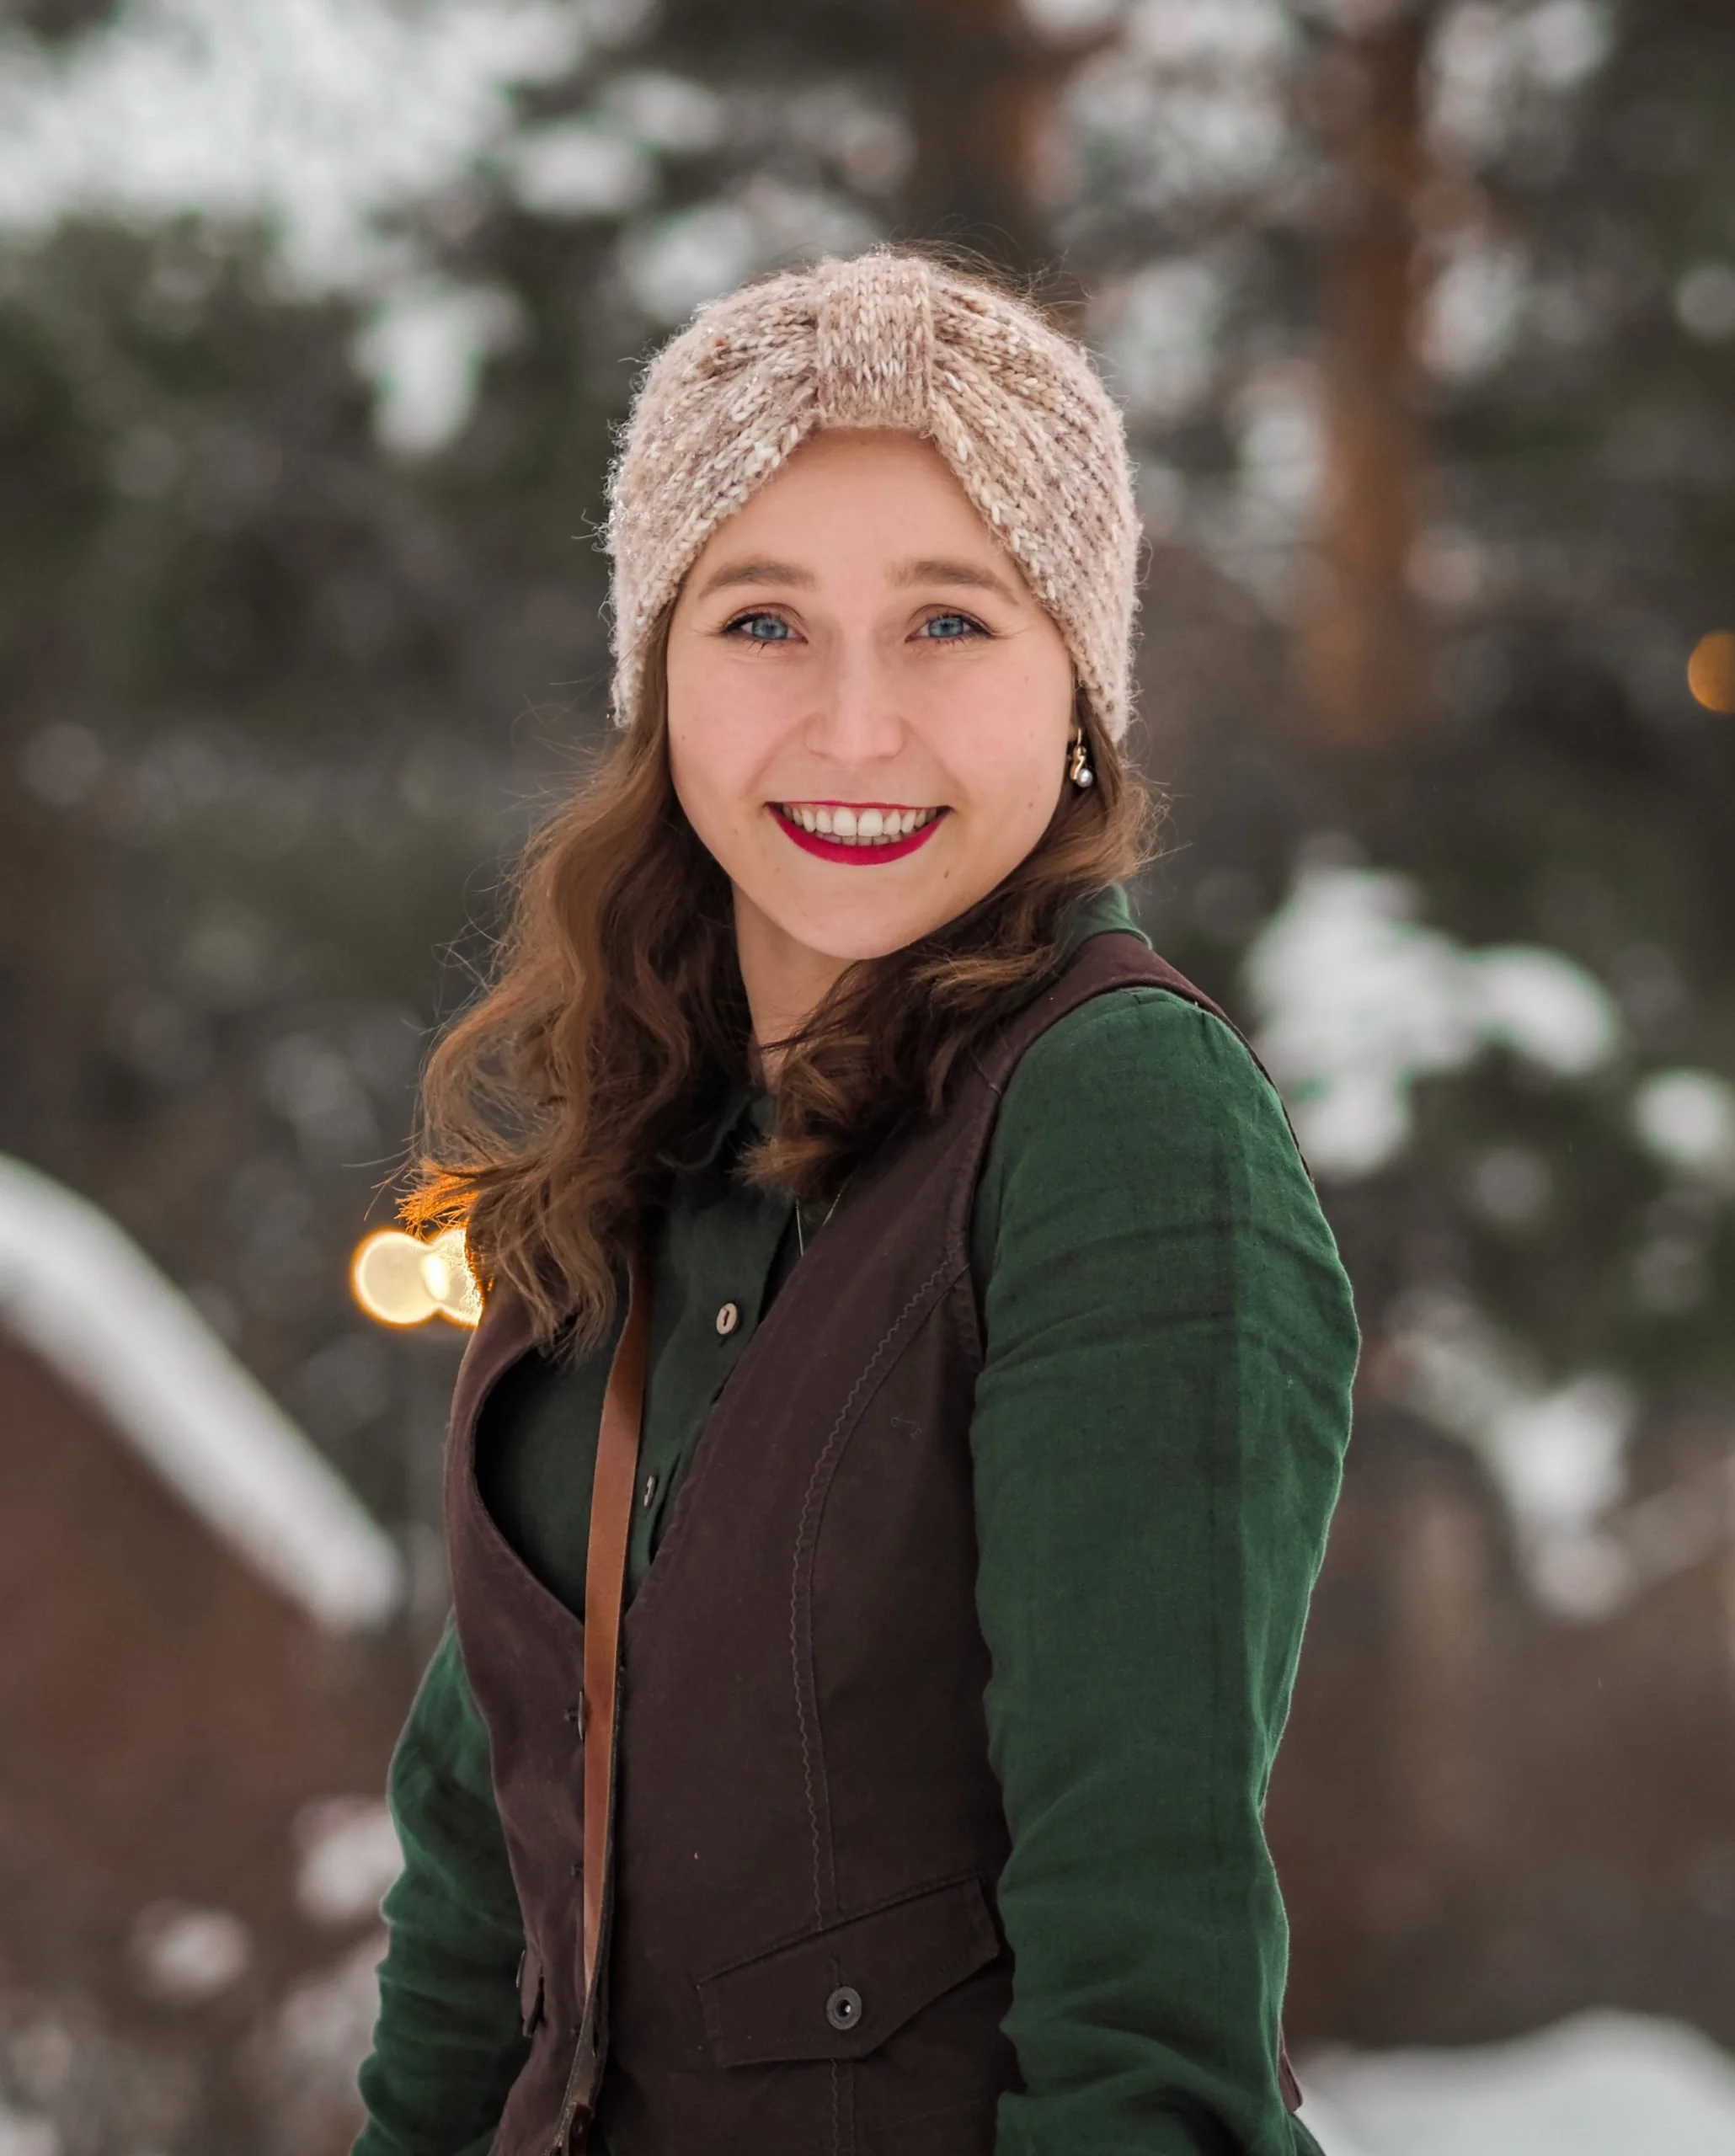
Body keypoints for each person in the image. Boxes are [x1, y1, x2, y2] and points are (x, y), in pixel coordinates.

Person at [354, 247, 1359, 2156]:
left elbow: (1146, 1986)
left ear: (1081, 691)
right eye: (762, 622)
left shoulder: (1117, 1121)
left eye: (948, 622)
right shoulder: (630, 1147)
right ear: (658, 683)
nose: (853, 724)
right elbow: (480, 1900)